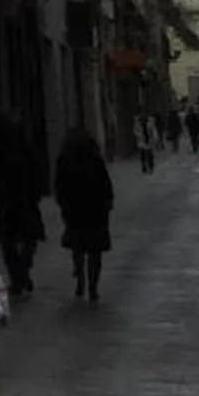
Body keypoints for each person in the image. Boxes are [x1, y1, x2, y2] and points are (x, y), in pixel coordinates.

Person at [0, 108, 45, 298]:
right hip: (24, 198)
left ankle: (18, 277)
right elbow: (37, 168)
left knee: (9, 241)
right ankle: (21, 273)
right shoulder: (22, 144)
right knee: (29, 237)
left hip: (6, 200)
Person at [54, 126, 115, 304]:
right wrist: (108, 203)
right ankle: (93, 287)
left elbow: (59, 185)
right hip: (95, 210)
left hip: (75, 210)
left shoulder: (64, 159)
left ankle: (80, 278)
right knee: (95, 252)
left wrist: (63, 204)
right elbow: (105, 183)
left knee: (78, 247)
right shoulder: (94, 158)